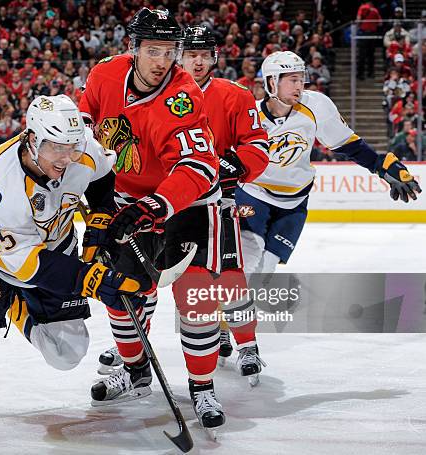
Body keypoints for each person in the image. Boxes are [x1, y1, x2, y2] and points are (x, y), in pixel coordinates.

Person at [0, 95, 143, 444]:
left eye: (72, 148)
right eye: (56, 149)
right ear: (33, 140)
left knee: (67, 354)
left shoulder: (80, 149)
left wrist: (98, 224)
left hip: (54, 248)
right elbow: (24, 263)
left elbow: (102, 177)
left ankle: (19, 308)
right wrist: (90, 279)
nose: (66, 159)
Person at [79, 8, 225, 429]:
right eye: (153, 50)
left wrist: (156, 207)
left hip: (188, 204)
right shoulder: (105, 74)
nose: (163, 61)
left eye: (169, 51)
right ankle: (136, 371)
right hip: (125, 199)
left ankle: (202, 387)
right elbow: (85, 126)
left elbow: (198, 167)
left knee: (195, 298)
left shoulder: (183, 97)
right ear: (134, 48)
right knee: (121, 296)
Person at [235, 51, 421, 280]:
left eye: (301, 79)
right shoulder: (248, 114)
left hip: (295, 201)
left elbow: (347, 143)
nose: (299, 86)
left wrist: (380, 165)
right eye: (292, 80)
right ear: (272, 81)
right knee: (249, 254)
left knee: (267, 267)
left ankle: (242, 311)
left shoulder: (316, 106)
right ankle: (232, 310)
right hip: (254, 192)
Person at [181, 25, 270, 380]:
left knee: (230, 278)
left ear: (214, 57)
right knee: (156, 280)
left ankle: (247, 344)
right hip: (172, 203)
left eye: (205, 55)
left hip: (218, 203)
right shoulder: (159, 96)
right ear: (179, 56)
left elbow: (257, 145)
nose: (198, 62)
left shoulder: (236, 95)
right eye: (191, 54)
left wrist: (240, 163)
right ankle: (130, 351)